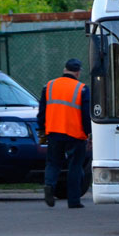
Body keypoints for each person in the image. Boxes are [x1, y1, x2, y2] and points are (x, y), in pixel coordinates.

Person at [37, 58, 90, 208]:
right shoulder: (82, 89)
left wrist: (42, 129)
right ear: (78, 72)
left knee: (53, 163)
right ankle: (73, 201)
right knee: (75, 166)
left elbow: (42, 111)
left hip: (53, 131)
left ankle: (49, 185)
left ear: (64, 69)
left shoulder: (49, 86)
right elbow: (86, 115)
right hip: (75, 134)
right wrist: (88, 133)